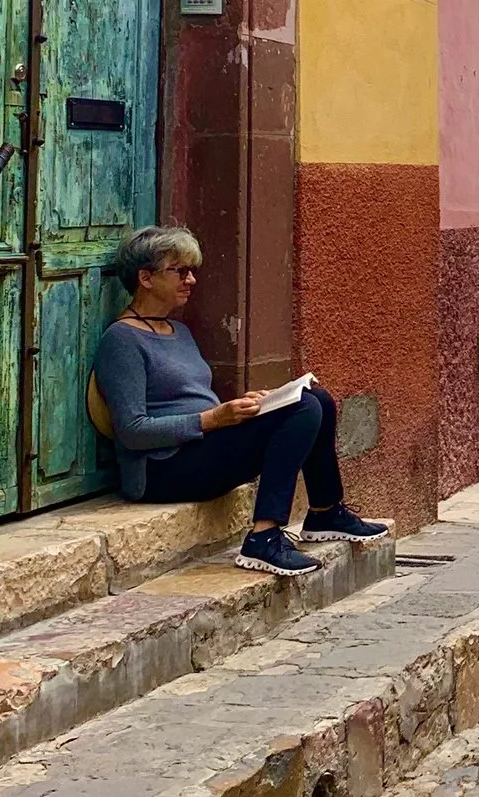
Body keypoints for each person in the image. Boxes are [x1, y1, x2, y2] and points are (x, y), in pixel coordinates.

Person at [91, 224, 389, 579]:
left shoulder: (178, 331)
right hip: (161, 469)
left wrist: (245, 407)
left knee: (317, 400)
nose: (191, 280)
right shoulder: (122, 340)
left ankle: (324, 511)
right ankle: (263, 537)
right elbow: (132, 430)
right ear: (146, 278)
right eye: (180, 271)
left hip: (201, 445)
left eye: (192, 271)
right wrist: (213, 419)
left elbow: (193, 399)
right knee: (303, 410)